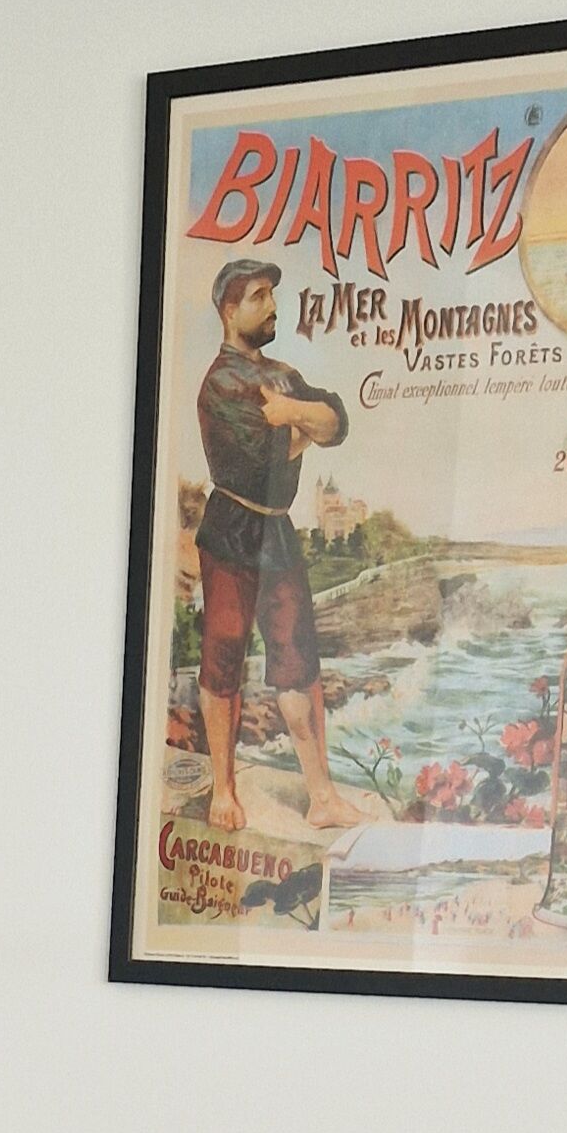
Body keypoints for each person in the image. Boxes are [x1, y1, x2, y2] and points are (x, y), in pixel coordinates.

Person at [194, 257, 360, 834]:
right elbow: (260, 464)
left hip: (279, 534)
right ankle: (223, 790)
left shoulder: (283, 375)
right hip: (232, 531)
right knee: (223, 658)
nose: (271, 306)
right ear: (229, 310)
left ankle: (322, 796)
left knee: (299, 659)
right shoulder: (217, 385)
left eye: (272, 295)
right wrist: (303, 430)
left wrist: (292, 413)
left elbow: (337, 419)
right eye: (259, 297)